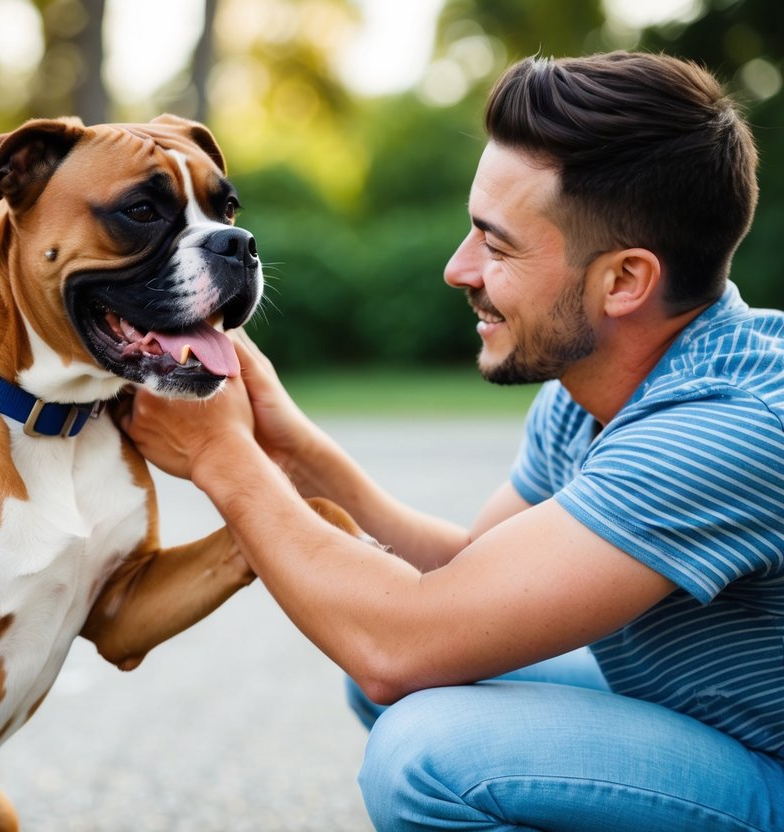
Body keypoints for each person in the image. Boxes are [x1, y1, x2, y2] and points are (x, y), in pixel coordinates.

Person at [118, 51, 784, 831]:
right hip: (715, 718)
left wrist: (217, 457)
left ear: (623, 282)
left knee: (427, 749)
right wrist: (292, 451)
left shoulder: (724, 426)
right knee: (402, 675)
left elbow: (402, 642)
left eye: (496, 248)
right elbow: (474, 574)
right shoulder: (604, 376)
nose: (455, 269)